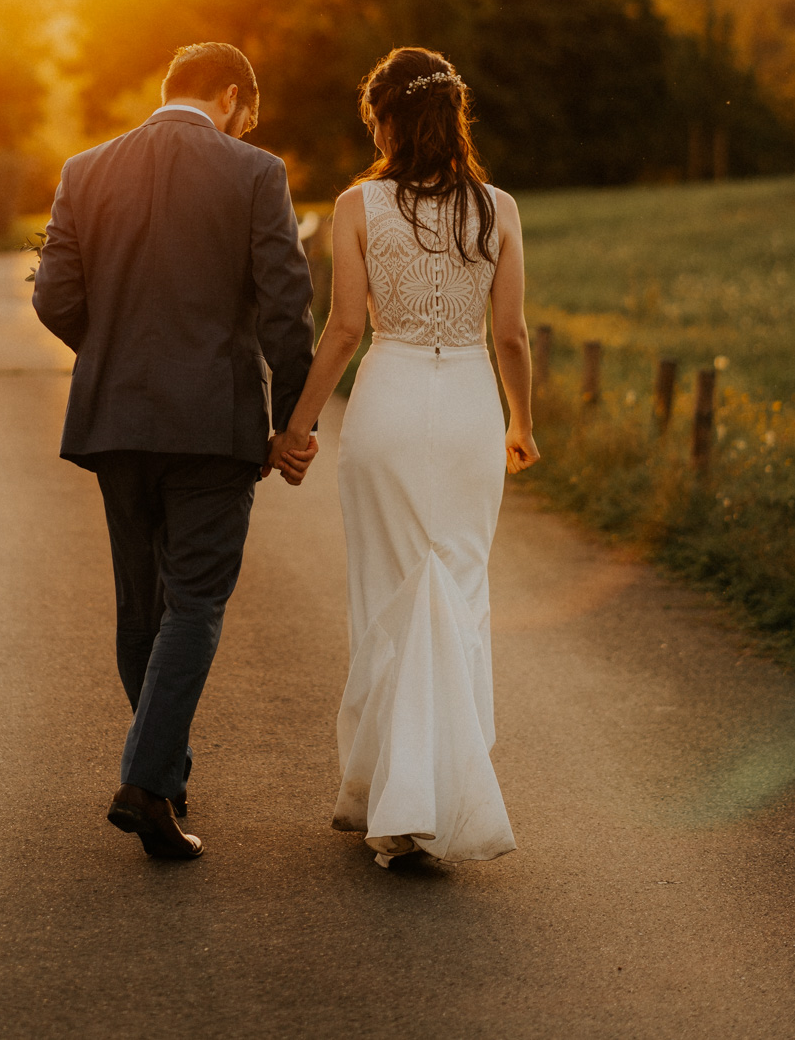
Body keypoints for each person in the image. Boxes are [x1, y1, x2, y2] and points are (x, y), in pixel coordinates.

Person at [33, 42, 318, 860]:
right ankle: (147, 784)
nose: (247, 128)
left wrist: (117, 358)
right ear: (230, 96)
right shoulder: (256, 173)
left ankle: (161, 776)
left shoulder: (84, 168)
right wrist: (292, 422)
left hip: (115, 422)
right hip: (215, 425)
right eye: (248, 115)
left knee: (141, 606)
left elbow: (54, 295)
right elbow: (285, 308)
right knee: (192, 604)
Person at [270, 46, 539, 867]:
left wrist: (298, 427)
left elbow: (346, 329)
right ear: (451, 116)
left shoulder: (358, 205)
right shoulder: (497, 208)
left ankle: (392, 803)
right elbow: (510, 334)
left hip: (386, 407)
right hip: (465, 412)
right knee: (454, 592)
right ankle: (422, 800)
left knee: (386, 596)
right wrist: (520, 423)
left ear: (385, 119)